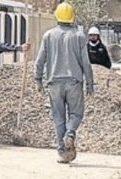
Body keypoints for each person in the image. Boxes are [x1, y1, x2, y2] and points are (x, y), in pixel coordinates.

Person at [33, 1, 94, 164]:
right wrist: (90, 83)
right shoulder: (79, 36)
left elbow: (40, 60)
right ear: (72, 18)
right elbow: (86, 63)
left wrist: (38, 78)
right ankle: (70, 134)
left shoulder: (48, 36)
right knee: (76, 114)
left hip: (53, 83)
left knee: (58, 118)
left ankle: (62, 152)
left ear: (57, 17)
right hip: (74, 82)